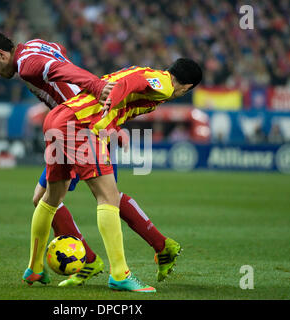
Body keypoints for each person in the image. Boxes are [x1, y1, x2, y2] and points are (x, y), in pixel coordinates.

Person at [0, 31, 181, 286]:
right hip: (71, 124)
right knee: (58, 198)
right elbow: (59, 52)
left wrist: (97, 90)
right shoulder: (35, 46)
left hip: (84, 124)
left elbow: (62, 69)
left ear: (1, 54)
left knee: (105, 197)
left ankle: (141, 255)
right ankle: (98, 259)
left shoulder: (27, 65)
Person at [22, 59, 202, 292]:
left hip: (58, 119)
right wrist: (110, 103)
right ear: (186, 87)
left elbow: (122, 84)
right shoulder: (165, 85)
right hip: (81, 126)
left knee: (50, 198)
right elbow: (130, 83)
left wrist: (113, 125)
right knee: (108, 198)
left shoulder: (149, 71)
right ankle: (120, 274)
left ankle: (34, 268)